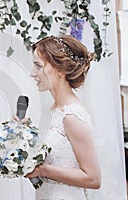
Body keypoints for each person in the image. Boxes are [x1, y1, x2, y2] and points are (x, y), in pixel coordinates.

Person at [15, 35, 101, 199]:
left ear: (60, 70)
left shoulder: (72, 116)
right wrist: (23, 135)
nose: (33, 74)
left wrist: (42, 170)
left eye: (38, 66)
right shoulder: (53, 110)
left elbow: (93, 179)